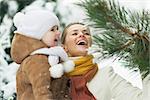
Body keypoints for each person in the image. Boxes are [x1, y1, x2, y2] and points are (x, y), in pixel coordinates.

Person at [61, 22, 150, 100]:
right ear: (64, 48)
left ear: (90, 43)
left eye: (86, 33)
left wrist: (144, 58)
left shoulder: (105, 76)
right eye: (74, 33)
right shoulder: (52, 76)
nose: (81, 35)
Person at [11, 10, 73, 100]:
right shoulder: (36, 60)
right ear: (37, 35)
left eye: (57, 29)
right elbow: (42, 91)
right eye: (52, 30)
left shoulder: (51, 57)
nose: (58, 33)